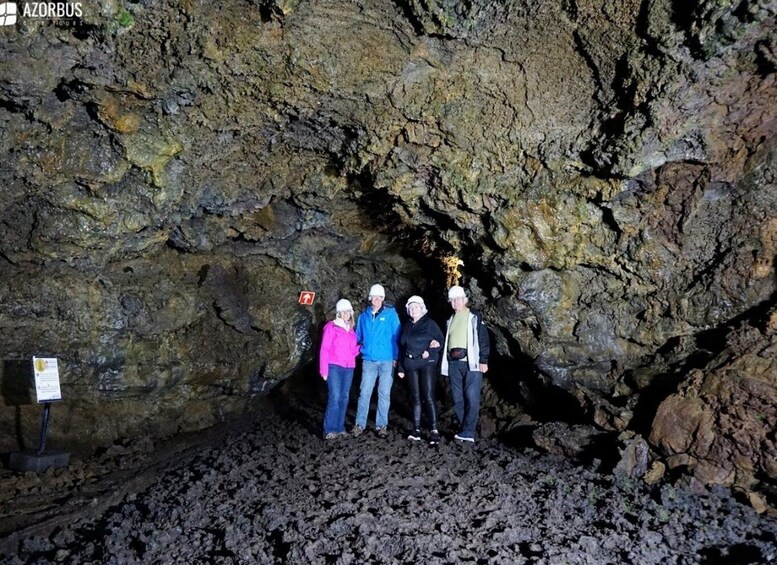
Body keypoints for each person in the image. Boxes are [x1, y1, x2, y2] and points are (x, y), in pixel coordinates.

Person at [440, 285, 490, 442]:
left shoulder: (474, 316)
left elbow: (483, 338)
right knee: (457, 398)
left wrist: (484, 359)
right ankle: (465, 429)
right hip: (454, 363)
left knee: (471, 396)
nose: (456, 302)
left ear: (465, 300)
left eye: (459, 299)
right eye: (453, 300)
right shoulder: (450, 319)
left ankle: (468, 431)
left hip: (471, 362)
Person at [353, 283, 401, 438]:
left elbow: (397, 336)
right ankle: (359, 424)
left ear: (383, 298)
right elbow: (358, 337)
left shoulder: (391, 314)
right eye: (373, 297)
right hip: (369, 360)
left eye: (379, 297)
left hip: (386, 360)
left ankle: (382, 425)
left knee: (384, 393)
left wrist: (395, 356)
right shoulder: (363, 317)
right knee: (364, 392)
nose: (376, 299)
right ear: (370, 298)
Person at [397, 296, 444, 445]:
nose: (413, 310)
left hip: (426, 363)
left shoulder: (430, 324)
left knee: (429, 396)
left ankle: (434, 430)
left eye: (416, 307)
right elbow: (402, 347)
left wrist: (430, 350)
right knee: (415, 398)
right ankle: (416, 430)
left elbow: (440, 341)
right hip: (410, 364)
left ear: (422, 308)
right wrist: (401, 367)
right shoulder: (407, 326)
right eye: (411, 308)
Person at [319, 299, 360, 440]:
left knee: (344, 397)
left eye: (348, 311)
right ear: (338, 313)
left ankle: (340, 427)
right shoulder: (331, 327)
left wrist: (361, 348)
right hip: (334, 366)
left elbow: (352, 351)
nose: (345, 314)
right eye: (342, 311)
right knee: (335, 397)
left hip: (349, 367)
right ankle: (329, 429)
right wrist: (323, 370)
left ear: (351, 313)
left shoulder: (351, 330)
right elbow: (324, 349)